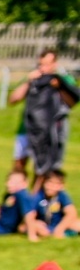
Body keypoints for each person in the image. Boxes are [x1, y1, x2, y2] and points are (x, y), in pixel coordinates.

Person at [9, 49, 79, 179]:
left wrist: (59, 87)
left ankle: (37, 197)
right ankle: (16, 193)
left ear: (55, 64)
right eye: (40, 64)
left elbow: (71, 103)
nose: (42, 68)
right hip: (26, 129)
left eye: (46, 64)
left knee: (42, 166)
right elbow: (13, 99)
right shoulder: (33, 79)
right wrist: (28, 81)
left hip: (49, 131)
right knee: (19, 163)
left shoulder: (64, 80)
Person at [35, 168, 78, 237]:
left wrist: (60, 228)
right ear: (44, 183)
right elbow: (30, 214)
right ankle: (66, 234)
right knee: (34, 226)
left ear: (61, 186)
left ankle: (63, 233)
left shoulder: (62, 195)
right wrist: (35, 223)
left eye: (56, 184)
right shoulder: (38, 196)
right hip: (45, 226)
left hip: (59, 224)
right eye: (50, 183)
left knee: (77, 224)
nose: (52, 187)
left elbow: (71, 213)